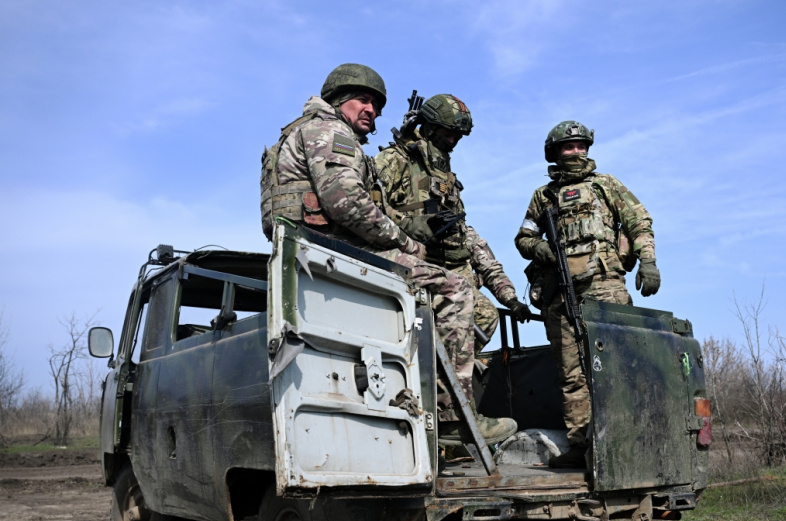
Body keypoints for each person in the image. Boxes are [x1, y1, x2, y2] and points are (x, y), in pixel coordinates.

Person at [261, 64, 516, 445]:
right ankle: (451, 418)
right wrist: (406, 241)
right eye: (363, 100)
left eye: (376, 105)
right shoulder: (331, 132)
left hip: (313, 252)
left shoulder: (301, 132)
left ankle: (426, 394)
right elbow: (348, 202)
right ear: (338, 100)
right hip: (337, 251)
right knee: (455, 290)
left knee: (474, 311)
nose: (371, 110)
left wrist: (506, 289)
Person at [514, 120, 660, 467]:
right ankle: (582, 446)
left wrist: (648, 261)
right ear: (555, 153)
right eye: (569, 147)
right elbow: (523, 238)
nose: (576, 152)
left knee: (615, 369)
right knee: (571, 373)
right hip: (561, 293)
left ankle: (624, 445)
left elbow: (639, 222)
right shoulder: (543, 196)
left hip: (604, 286)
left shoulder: (606, 185)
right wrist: (540, 249)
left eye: (581, 146)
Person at [374, 93, 532, 352]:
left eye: (458, 135)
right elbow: (372, 208)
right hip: (416, 265)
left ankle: (449, 379)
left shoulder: (447, 177)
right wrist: (410, 225)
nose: (453, 141)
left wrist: (510, 298)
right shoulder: (395, 160)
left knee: (486, 316)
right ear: (430, 126)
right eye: (449, 133)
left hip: (454, 270)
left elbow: (467, 238)